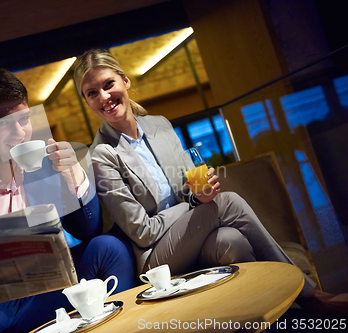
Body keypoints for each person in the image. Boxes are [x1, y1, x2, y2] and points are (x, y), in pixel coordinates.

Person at [73, 48, 348, 319]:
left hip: (194, 233)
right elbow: (143, 232)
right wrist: (193, 204)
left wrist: (199, 195)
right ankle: (309, 297)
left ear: (125, 81)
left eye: (109, 84)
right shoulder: (102, 155)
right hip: (154, 256)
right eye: (92, 93)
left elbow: (188, 187)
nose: (104, 97)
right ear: (86, 101)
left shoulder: (160, 126)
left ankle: (267, 321)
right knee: (228, 202)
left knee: (232, 241)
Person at [0, 65, 136, 333]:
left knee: (108, 248)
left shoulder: (44, 163)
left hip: (45, 292)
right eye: (5, 124)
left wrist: (75, 177)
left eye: (25, 119)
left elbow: (87, 231)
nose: (21, 133)